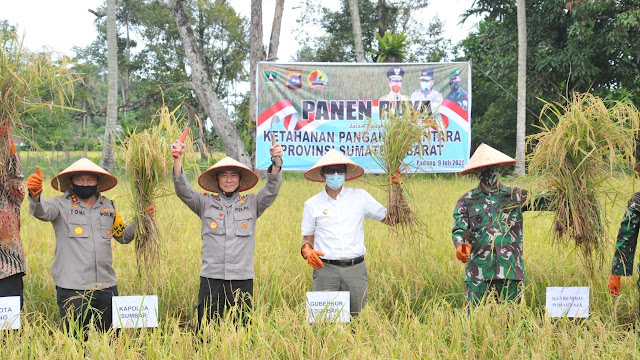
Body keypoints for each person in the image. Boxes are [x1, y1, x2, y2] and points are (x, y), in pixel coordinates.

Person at [171, 141, 283, 328]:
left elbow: (271, 191)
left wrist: (277, 161)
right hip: (211, 278)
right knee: (205, 329)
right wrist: (178, 158)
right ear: (217, 180)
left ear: (240, 179)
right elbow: (183, 190)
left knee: (242, 329)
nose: (229, 180)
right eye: (224, 175)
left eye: (233, 175)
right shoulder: (204, 203)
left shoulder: (252, 204)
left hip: (241, 278)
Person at [27, 158, 145, 333]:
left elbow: (123, 236)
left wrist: (143, 219)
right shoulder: (60, 204)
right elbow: (42, 211)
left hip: (105, 286)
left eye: (90, 180)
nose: (85, 184)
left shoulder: (108, 206)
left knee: (111, 339)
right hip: (73, 288)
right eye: (80, 180)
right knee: (75, 340)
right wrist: (35, 195)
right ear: (71, 182)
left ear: (97, 182)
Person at [452, 144, 551, 306]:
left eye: (492, 167)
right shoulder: (467, 200)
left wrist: (572, 183)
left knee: (511, 322)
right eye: (484, 168)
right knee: (477, 323)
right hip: (478, 275)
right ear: (477, 172)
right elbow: (460, 229)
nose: (489, 171)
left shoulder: (516, 196)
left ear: (499, 168)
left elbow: (548, 202)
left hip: (510, 272)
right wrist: (460, 246)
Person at [300, 149, 393, 317]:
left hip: (355, 270)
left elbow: (391, 219)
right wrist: (307, 251)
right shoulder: (312, 204)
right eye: (330, 171)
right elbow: (307, 238)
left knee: (359, 319)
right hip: (325, 270)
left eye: (339, 171)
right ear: (323, 174)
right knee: (323, 323)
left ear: (345, 173)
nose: (335, 175)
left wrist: (397, 189)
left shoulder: (360, 197)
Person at [606, 161, 640, 308]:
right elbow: (626, 238)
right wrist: (615, 274)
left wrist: (616, 274)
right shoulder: (637, 202)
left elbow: (626, 239)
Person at [0, 130, 26, 310]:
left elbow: (15, 180)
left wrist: (6, 140)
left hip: (8, 268)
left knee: (9, 331)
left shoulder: (8, 195)